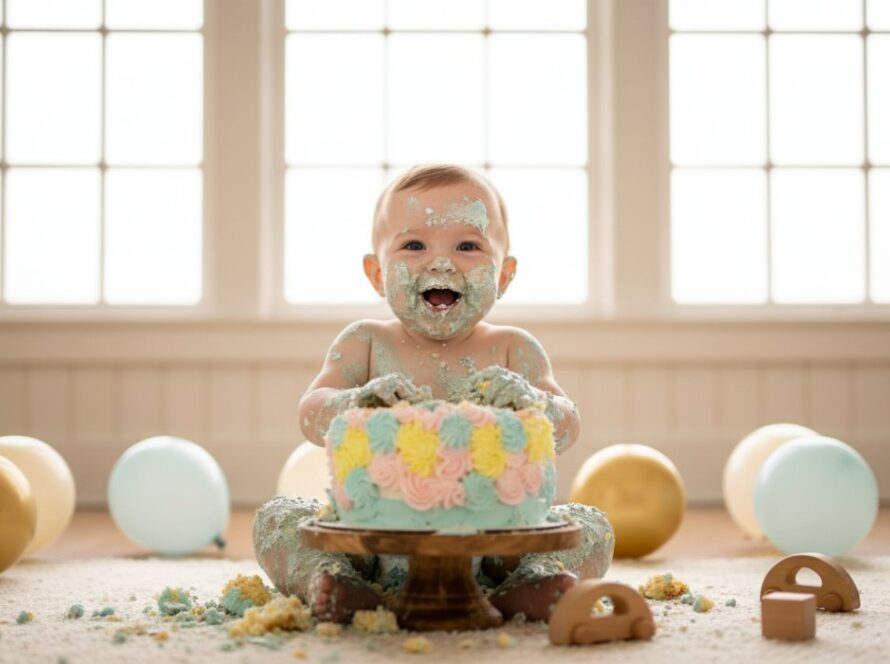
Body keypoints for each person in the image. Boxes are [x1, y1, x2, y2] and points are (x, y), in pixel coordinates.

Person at [253, 164, 613, 623]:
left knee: (591, 526)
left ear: (504, 275)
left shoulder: (512, 348)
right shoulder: (365, 343)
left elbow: (567, 424)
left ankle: (532, 582)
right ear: (376, 273)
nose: (440, 263)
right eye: (413, 245)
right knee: (277, 518)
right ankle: (331, 580)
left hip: (501, 544)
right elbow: (310, 414)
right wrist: (351, 404)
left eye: (467, 246)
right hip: (370, 542)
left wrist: (531, 402)